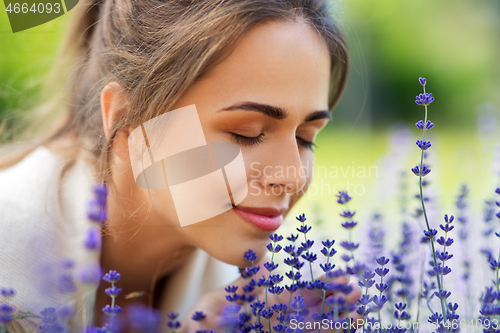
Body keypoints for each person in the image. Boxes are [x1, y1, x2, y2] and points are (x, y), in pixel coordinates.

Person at [0, 0, 362, 331]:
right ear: (128, 124)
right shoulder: (9, 267)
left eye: (305, 138)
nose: (293, 176)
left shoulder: (263, 302)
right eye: (246, 133)